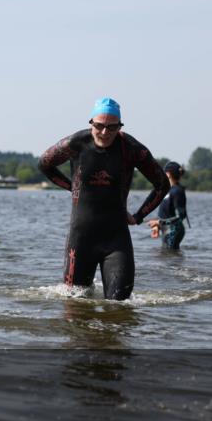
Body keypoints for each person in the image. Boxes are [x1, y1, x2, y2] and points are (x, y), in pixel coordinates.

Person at [38, 97, 169, 300]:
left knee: (120, 305)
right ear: (91, 123)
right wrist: (71, 187)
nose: (105, 132)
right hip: (80, 240)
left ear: (120, 126)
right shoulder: (77, 143)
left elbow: (162, 184)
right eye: (99, 126)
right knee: (74, 306)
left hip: (116, 241)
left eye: (112, 127)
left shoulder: (132, 149)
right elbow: (44, 164)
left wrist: (139, 215)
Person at [149, 161, 189, 250]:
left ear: (168, 174)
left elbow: (181, 215)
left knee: (168, 253)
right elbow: (165, 213)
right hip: (167, 228)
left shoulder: (177, 191)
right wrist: (157, 225)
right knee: (167, 256)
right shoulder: (167, 190)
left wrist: (159, 222)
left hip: (174, 230)